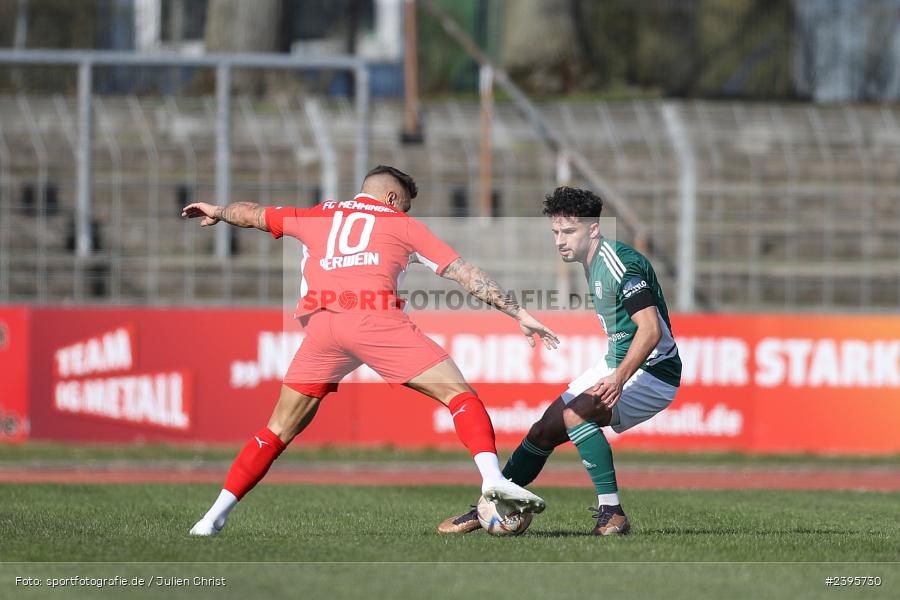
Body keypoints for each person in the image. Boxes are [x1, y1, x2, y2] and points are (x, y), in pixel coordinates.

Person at [182, 165, 559, 536]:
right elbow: (464, 273)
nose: (405, 212)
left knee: (277, 430)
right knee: (460, 395)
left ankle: (211, 519)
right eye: (405, 205)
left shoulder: (319, 214)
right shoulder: (403, 226)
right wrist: (519, 313)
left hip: (322, 328)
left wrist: (217, 211)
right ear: (392, 198)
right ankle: (492, 480)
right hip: (374, 321)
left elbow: (252, 214)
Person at [438, 186, 681, 536]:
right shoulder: (592, 261)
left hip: (654, 371)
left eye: (568, 231)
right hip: (617, 363)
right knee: (545, 428)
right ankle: (492, 504)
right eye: (555, 232)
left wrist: (619, 378)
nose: (560, 241)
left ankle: (612, 513)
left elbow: (650, 330)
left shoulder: (620, 264)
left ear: (593, 229)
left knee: (575, 415)